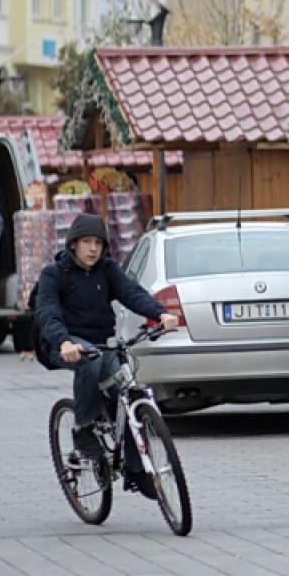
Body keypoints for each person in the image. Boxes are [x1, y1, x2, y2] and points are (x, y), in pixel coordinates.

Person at [31, 213, 179, 500]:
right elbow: (47, 312)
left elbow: (132, 293)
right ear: (73, 244)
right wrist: (63, 342)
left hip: (101, 342)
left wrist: (159, 313)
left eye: (98, 243)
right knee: (89, 360)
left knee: (131, 390)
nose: (93, 249)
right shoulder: (54, 274)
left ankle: (136, 469)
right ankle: (84, 429)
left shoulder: (107, 269)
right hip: (65, 343)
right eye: (86, 242)